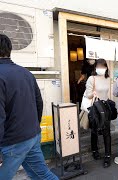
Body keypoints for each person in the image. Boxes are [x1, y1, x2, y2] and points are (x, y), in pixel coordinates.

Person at [0, 34, 58, 179]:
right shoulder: (26, 73)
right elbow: (39, 103)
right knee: (42, 175)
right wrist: (34, 127)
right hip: (32, 136)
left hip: (11, 142)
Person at [85, 59, 112, 168]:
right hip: (95, 108)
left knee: (107, 132)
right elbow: (88, 95)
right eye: (99, 66)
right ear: (95, 67)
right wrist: (93, 93)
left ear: (106, 67)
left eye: (103, 66)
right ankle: (95, 150)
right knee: (95, 131)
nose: (101, 68)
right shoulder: (92, 78)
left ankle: (108, 155)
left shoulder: (107, 78)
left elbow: (106, 93)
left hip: (105, 107)